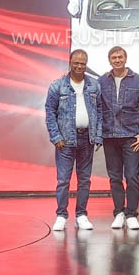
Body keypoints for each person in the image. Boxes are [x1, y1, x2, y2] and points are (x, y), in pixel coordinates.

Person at [45, 50, 103, 231]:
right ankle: (61, 215)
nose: (79, 66)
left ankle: (81, 215)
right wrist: (56, 137)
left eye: (83, 63)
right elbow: (50, 113)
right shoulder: (57, 86)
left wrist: (98, 135)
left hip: (87, 138)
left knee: (84, 180)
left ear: (86, 64)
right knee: (63, 180)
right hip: (65, 141)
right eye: (76, 63)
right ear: (70, 62)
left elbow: (100, 111)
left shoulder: (94, 85)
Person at [98, 46, 139, 230]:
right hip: (109, 135)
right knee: (114, 177)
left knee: (132, 176)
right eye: (114, 57)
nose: (117, 60)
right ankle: (119, 212)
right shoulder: (102, 81)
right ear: (109, 60)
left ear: (125, 59)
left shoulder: (138, 80)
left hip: (131, 137)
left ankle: (131, 214)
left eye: (120, 57)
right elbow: (96, 106)